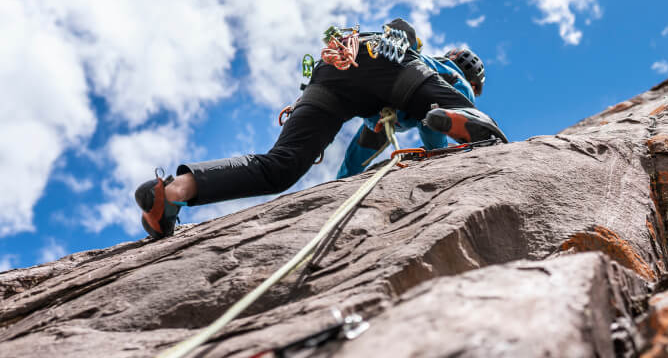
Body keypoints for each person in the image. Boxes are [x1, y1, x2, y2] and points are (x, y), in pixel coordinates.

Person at [134, 18, 507, 240]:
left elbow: (363, 146)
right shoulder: (447, 72)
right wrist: (449, 130)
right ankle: (478, 126)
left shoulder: (387, 113)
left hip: (334, 73)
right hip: (397, 70)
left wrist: (343, 182)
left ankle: (172, 192)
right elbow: (436, 130)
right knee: (485, 133)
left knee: (279, 167)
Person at [335, 46, 484, 178]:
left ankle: (338, 186)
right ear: (474, 84)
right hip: (402, 106)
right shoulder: (461, 85)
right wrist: (437, 151)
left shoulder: (424, 61)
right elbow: (435, 119)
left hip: (380, 100)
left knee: (354, 160)